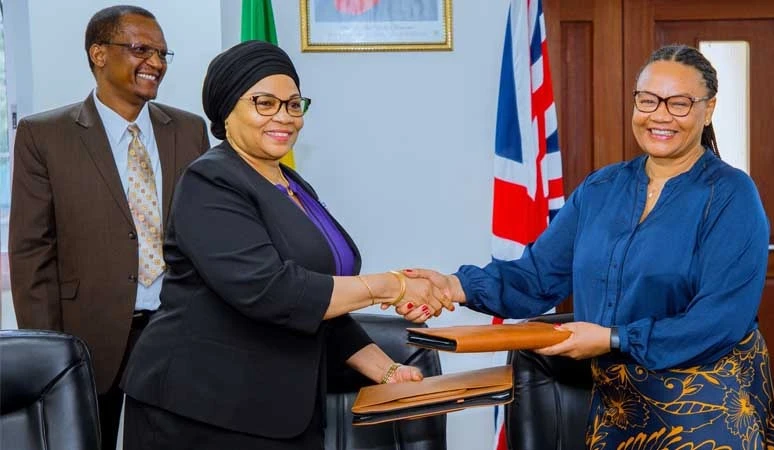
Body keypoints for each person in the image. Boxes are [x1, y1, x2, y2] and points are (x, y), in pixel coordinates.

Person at [405, 44, 774, 448]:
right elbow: (534, 278)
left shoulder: (731, 195)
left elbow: (720, 321)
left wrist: (613, 338)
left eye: (680, 103)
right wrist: (453, 286)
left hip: (705, 399)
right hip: (618, 401)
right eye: (648, 100)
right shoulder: (601, 189)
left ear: (708, 109)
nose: (660, 115)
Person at [120, 40, 450, 450]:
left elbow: (318, 308)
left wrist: (387, 371)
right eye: (265, 103)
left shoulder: (293, 185)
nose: (285, 117)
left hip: (278, 410)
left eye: (294, 104)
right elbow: (273, 291)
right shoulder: (210, 181)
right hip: (201, 411)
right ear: (227, 110)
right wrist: (391, 285)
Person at [9, 5, 210, 449]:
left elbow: (206, 235)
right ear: (99, 54)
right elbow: (32, 253)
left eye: (161, 53)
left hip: (178, 330)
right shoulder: (45, 135)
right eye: (141, 49)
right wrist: (49, 354)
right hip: (89, 337)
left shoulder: (189, 130)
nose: (156, 63)